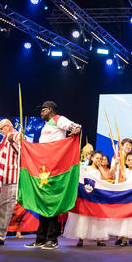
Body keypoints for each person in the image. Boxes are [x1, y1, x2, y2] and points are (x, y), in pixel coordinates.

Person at [24, 101, 81, 250]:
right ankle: (40, 238)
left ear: (50, 110)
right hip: (44, 166)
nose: (40, 112)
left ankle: (52, 239)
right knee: (43, 202)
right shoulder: (46, 125)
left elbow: (76, 126)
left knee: (52, 202)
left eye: (42, 110)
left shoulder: (58, 119)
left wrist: (75, 130)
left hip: (55, 167)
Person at [63, 150, 110, 246]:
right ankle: (81, 238)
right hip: (85, 196)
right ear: (92, 158)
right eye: (97, 158)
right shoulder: (86, 169)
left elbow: (106, 177)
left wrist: (100, 167)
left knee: (97, 218)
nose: (99, 160)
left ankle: (99, 239)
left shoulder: (99, 171)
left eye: (101, 159)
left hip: (96, 197)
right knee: (83, 218)